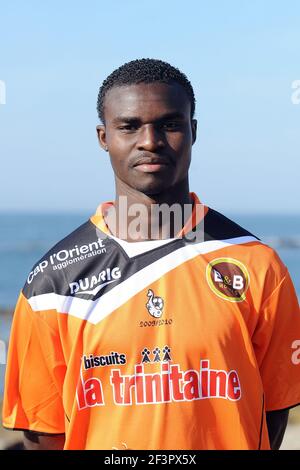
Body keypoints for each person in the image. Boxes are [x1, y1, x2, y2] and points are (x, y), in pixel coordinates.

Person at [2, 58, 300, 450]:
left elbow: (276, 407)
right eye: (129, 126)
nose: (150, 141)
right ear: (103, 137)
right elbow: (44, 431)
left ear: (192, 132)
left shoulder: (256, 264)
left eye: (170, 124)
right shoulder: (51, 284)